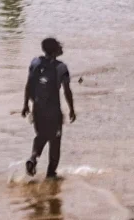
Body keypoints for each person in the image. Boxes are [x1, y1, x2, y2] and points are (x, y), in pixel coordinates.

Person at [22, 37, 76, 179]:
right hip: (53, 111)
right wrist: (71, 109)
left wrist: (25, 104)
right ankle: (51, 175)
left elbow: (28, 84)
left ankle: (33, 158)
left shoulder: (35, 63)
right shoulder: (61, 67)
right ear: (55, 50)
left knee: (41, 136)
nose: (61, 47)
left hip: (37, 108)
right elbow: (67, 91)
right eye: (59, 45)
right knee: (55, 142)